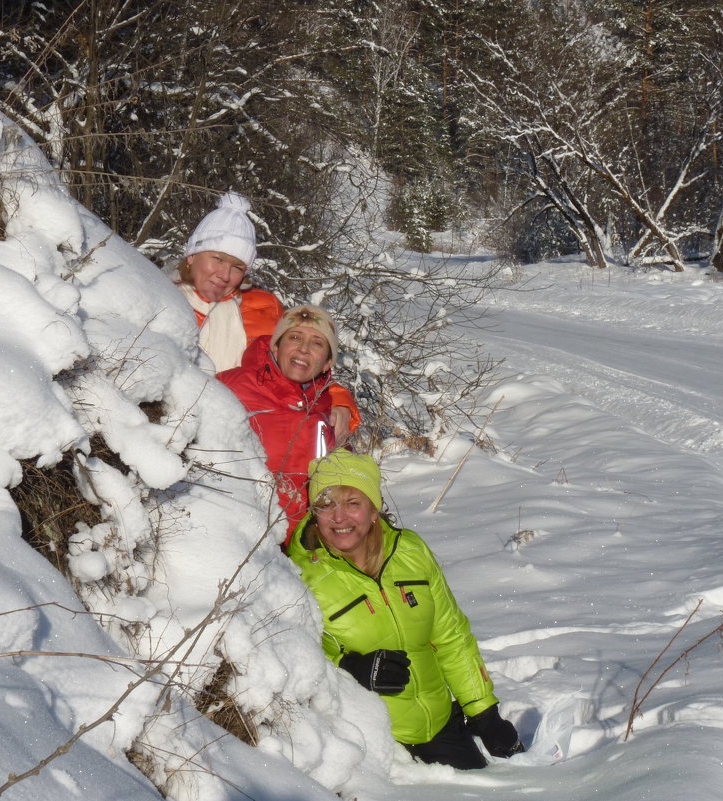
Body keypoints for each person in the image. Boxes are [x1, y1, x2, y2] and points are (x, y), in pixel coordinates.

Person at [287, 449, 525, 770]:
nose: (339, 517)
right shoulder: (298, 573)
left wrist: (483, 712)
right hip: (368, 742)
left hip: (439, 726)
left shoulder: (411, 551)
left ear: (374, 510)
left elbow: (450, 636)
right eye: (326, 505)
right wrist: (351, 669)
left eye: (353, 503)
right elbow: (296, 659)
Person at [175, 192, 359, 443]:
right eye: (217, 258)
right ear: (192, 256)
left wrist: (339, 402)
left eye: (237, 267)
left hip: (250, 439)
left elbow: (302, 367)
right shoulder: (163, 300)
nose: (225, 274)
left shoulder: (264, 308)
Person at [217, 305, 340, 545]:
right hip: (238, 535)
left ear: (327, 363)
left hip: (299, 546)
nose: (303, 349)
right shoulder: (233, 385)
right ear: (276, 347)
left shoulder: (325, 412)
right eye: (294, 337)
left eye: (317, 343)